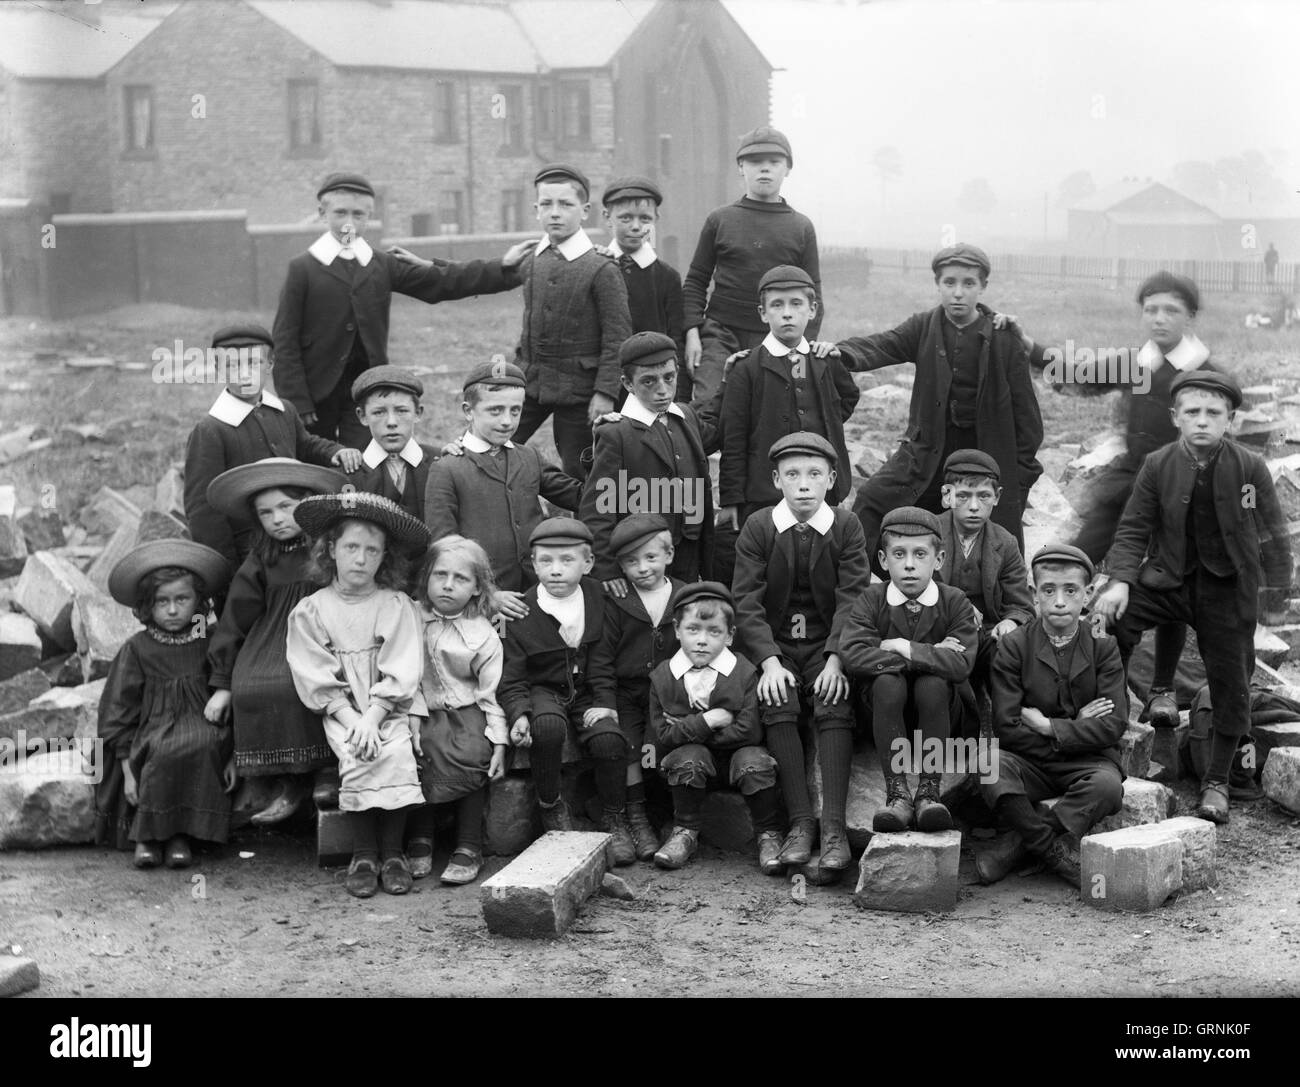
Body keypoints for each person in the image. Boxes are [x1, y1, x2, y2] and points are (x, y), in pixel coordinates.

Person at [1007, 271, 1217, 730]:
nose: (1159, 319)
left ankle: (1161, 688)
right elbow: (1081, 373)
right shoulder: (1135, 362)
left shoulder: (1204, 371)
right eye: (1151, 309)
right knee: (1077, 554)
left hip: (1181, 489)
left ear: (1190, 316)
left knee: (1168, 577)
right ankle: (1048, 656)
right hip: (1130, 478)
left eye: (1171, 310)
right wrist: (1029, 345)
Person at [1093, 370, 1292, 824]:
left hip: (1226, 588)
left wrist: (1275, 592)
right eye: (1192, 412)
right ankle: (1113, 728)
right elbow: (1134, 527)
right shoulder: (1159, 464)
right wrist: (1121, 579)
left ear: (1231, 420)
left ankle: (1217, 779)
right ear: (1176, 417)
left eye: (1213, 413)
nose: (1202, 421)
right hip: (1168, 580)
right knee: (1115, 621)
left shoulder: (1248, 468)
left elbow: (1274, 532)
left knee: (1230, 679)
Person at [272, 171, 531, 448]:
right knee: (314, 460)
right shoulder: (303, 268)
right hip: (315, 392)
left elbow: (442, 283)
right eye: (340, 213)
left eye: (358, 215)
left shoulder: (380, 264)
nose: (349, 223)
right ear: (322, 213)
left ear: (370, 216)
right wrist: (297, 400)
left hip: (367, 390)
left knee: (365, 461)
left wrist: (502, 267)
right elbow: (285, 339)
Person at [817, 243, 1043, 560]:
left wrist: (1018, 475)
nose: (958, 293)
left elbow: (1028, 416)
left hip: (985, 455)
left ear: (983, 286)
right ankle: (879, 582)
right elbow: (883, 344)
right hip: (927, 452)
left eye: (968, 283)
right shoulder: (924, 327)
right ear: (938, 284)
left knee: (992, 542)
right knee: (872, 499)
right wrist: (841, 351)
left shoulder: (1003, 337)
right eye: (949, 283)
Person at [732, 433, 870, 874]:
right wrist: (769, 661)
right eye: (793, 475)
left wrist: (836, 659)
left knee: (833, 699)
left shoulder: (846, 526)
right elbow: (747, 601)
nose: (804, 485)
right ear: (777, 480)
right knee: (778, 700)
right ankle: (800, 824)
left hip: (826, 644)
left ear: (832, 479)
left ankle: (833, 829)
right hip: (777, 646)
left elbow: (852, 598)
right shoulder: (759, 526)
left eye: (814, 474)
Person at [286, 492, 432, 898]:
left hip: (389, 708)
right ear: (331, 549)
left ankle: (393, 853)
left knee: (395, 749)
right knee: (358, 751)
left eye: (372, 550)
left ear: (385, 556)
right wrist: (355, 721)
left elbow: (402, 666)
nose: (361, 559)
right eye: (351, 547)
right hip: (342, 710)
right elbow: (313, 673)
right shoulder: (312, 610)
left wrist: (375, 717)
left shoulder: (395, 604)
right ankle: (364, 854)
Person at [204, 458, 347, 824]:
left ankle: (325, 772)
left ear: (307, 503)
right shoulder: (261, 558)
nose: (277, 519)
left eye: (286, 506)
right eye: (266, 513)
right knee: (254, 685)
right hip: (273, 638)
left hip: (323, 634)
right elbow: (236, 616)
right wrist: (222, 682)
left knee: (301, 682)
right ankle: (289, 781)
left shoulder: (329, 546)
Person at [977, 544, 1127, 888]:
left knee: (1107, 786)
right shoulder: (1014, 645)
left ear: (1088, 595)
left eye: (1071, 590)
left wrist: (1051, 727)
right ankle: (1052, 852)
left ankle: (1017, 845)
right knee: (988, 764)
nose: (1060, 601)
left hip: (1088, 763)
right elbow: (1008, 727)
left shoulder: (1102, 643)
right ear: (1034, 595)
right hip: (1029, 759)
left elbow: (1114, 724)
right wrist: (1078, 725)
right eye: (1049, 590)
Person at [497, 518, 634, 863]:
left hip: (587, 690)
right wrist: (519, 712)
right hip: (543, 689)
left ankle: (614, 815)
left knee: (609, 739)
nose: (555, 571)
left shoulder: (599, 598)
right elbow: (511, 676)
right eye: (546, 561)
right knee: (547, 727)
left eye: (567, 560)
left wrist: (605, 703)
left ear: (588, 563)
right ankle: (552, 808)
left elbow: (602, 661)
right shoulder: (518, 610)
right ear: (532, 563)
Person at [839, 507, 978, 833]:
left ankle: (929, 791)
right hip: (885, 714)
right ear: (884, 561)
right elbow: (853, 655)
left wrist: (902, 647)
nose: (910, 564)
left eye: (920, 554)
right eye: (899, 554)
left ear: (939, 559)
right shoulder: (872, 599)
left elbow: (961, 664)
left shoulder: (954, 600)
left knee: (932, 684)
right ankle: (898, 794)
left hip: (941, 716)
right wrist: (930, 654)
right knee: (888, 683)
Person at [96, 540, 233, 869]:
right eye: (162, 602)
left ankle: (179, 836)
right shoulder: (138, 648)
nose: (172, 610)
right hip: (150, 727)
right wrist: (127, 770)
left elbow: (228, 686)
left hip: (202, 721)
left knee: (199, 742)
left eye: (182, 599)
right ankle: (148, 836)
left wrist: (234, 757)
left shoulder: (209, 641)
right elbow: (119, 708)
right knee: (160, 747)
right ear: (148, 606)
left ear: (198, 601)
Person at [183, 324, 359, 570]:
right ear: (218, 369)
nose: (245, 375)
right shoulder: (211, 430)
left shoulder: (284, 410)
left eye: (254, 364)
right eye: (233, 365)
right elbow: (203, 512)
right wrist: (225, 569)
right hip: (249, 553)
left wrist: (334, 451)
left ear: (270, 365)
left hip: (295, 539)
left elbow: (305, 444)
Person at [424, 358, 582, 614]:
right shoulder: (448, 468)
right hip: (483, 601)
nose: (507, 421)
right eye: (495, 411)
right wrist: (488, 595)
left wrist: (606, 442)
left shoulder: (528, 456)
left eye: (515, 411)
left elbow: (579, 495)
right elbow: (444, 545)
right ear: (468, 411)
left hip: (536, 593)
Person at [682, 127, 824, 406]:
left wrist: (801, 345)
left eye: (774, 162)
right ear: (741, 167)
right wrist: (691, 334)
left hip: (777, 336)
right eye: (756, 162)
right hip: (720, 334)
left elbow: (813, 293)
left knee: (775, 410)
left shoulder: (801, 227)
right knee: (709, 406)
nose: (765, 170)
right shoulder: (720, 220)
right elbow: (696, 281)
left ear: (788, 169)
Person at [648, 582, 782, 872]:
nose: (702, 640)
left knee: (755, 761)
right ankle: (685, 831)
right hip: (693, 761)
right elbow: (664, 736)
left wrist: (689, 728)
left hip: (737, 757)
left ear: (730, 635)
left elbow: (749, 730)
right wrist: (711, 719)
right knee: (687, 757)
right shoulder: (663, 677)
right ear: (677, 629)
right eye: (693, 629)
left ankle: (768, 833)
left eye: (714, 632)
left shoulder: (744, 672)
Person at [512, 163, 633, 478]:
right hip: (531, 383)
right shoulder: (532, 261)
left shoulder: (601, 267)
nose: (555, 213)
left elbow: (617, 336)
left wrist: (606, 392)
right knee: (494, 442)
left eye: (566, 204)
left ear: (585, 210)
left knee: (580, 468)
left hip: (580, 390)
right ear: (536, 210)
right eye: (546, 205)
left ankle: (586, 525)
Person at [719, 266, 860, 536]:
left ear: (812, 309)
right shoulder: (747, 367)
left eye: (796, 304)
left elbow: (846, 399)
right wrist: (731, 498)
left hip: (820, 489)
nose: (787, 313)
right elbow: (733, 438)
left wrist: (821, 423)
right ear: (763, 313)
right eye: (776, 305)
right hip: (766, 490)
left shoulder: (824, 361)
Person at [406, 536, 508, 886]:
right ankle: (420, 836)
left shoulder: (482, 635)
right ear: (426, 577)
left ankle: (469, 844)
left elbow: (489, 694)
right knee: (415, 750)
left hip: (466, 712)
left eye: (461, 579)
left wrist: (499, 741)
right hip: (417, 708)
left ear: (477, 587)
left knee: (473, 753)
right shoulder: (409, 618)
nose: (448, 585)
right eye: (440, 575)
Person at [580, 331, 716, 587]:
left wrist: (733, 378)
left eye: (669, 378)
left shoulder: (686, 415)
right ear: (628, 384)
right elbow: (598, 508)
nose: (662, 390)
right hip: (643, 555)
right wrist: (607, 569)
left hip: (690, 547)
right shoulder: (616, 432)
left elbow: (718, 431)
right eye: (649, 382)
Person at [588, 513, 686, 861]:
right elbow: (600, 657)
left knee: (658, 744)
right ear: (621, 567)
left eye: (651, 558)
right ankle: (635, 816)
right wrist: (605, 699)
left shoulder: (685, 596)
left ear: (669, 556)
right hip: (627, 691)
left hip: (669, 693)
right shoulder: (617, 601)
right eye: (632, 562)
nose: (643, 568)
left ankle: (666, 817)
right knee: (628, 745)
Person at [934, 449, 1035, 719]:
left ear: (997, 497)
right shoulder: (927, 535)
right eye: (963, 496)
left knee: (1008, 655)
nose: (974, 506)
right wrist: (959, 607)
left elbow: (1021, 605)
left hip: (986, 637)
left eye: (984, 496)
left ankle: (1008, 731)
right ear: (947, 496)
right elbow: (911, 586)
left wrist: (1010, 622)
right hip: (940, 635)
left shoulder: (1005, 542)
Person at [341, 366, 440, 570]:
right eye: (378, 412)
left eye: (402, 411)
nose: (392, 422)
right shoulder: (349, 474)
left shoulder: (441, 463)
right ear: (362, 416)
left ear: (418, 413)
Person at [599, 176, 686, 395]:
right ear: (607, 218)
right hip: (601, 383)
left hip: (649, 386)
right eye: (626, 218)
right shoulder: (595, 266)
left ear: (656, 218)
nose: (636, 227)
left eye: (645, 219)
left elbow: (676, 339)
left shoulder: (667, 277)